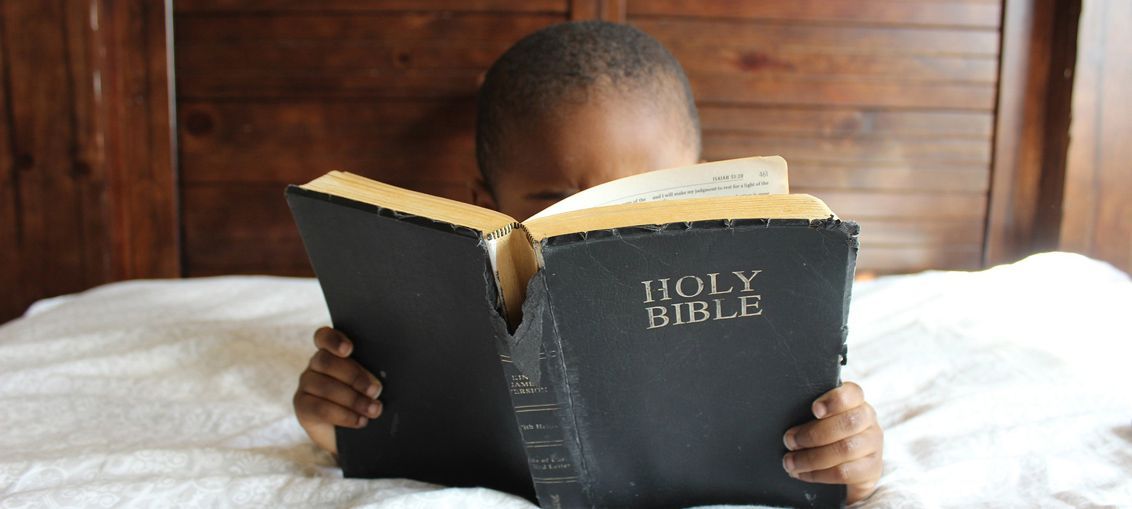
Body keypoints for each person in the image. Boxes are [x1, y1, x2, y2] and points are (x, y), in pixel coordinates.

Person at [293, 20, 884, 504]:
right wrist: (338, 422)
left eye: (648, 198)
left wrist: (848, 462)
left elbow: (832, 460)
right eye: (560, 206)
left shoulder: (756, 311)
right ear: (483, 204)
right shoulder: (437, 315)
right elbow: (381, 431)